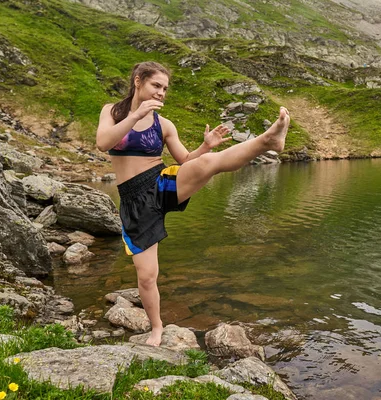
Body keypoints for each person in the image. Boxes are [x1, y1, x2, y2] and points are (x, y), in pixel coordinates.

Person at [96, 61, 290, 346]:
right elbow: (103, 142)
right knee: (147, 277)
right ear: (138, 81)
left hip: (160, 182)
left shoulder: (164, 125)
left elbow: (186, 160)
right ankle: (157, 328)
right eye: (156, 86)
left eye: (165, 88)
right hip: (134, 200)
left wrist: (206, 146)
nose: (162, 93)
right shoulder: (112, 111)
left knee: (209, 163)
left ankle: (268, 141)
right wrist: (136, 114)